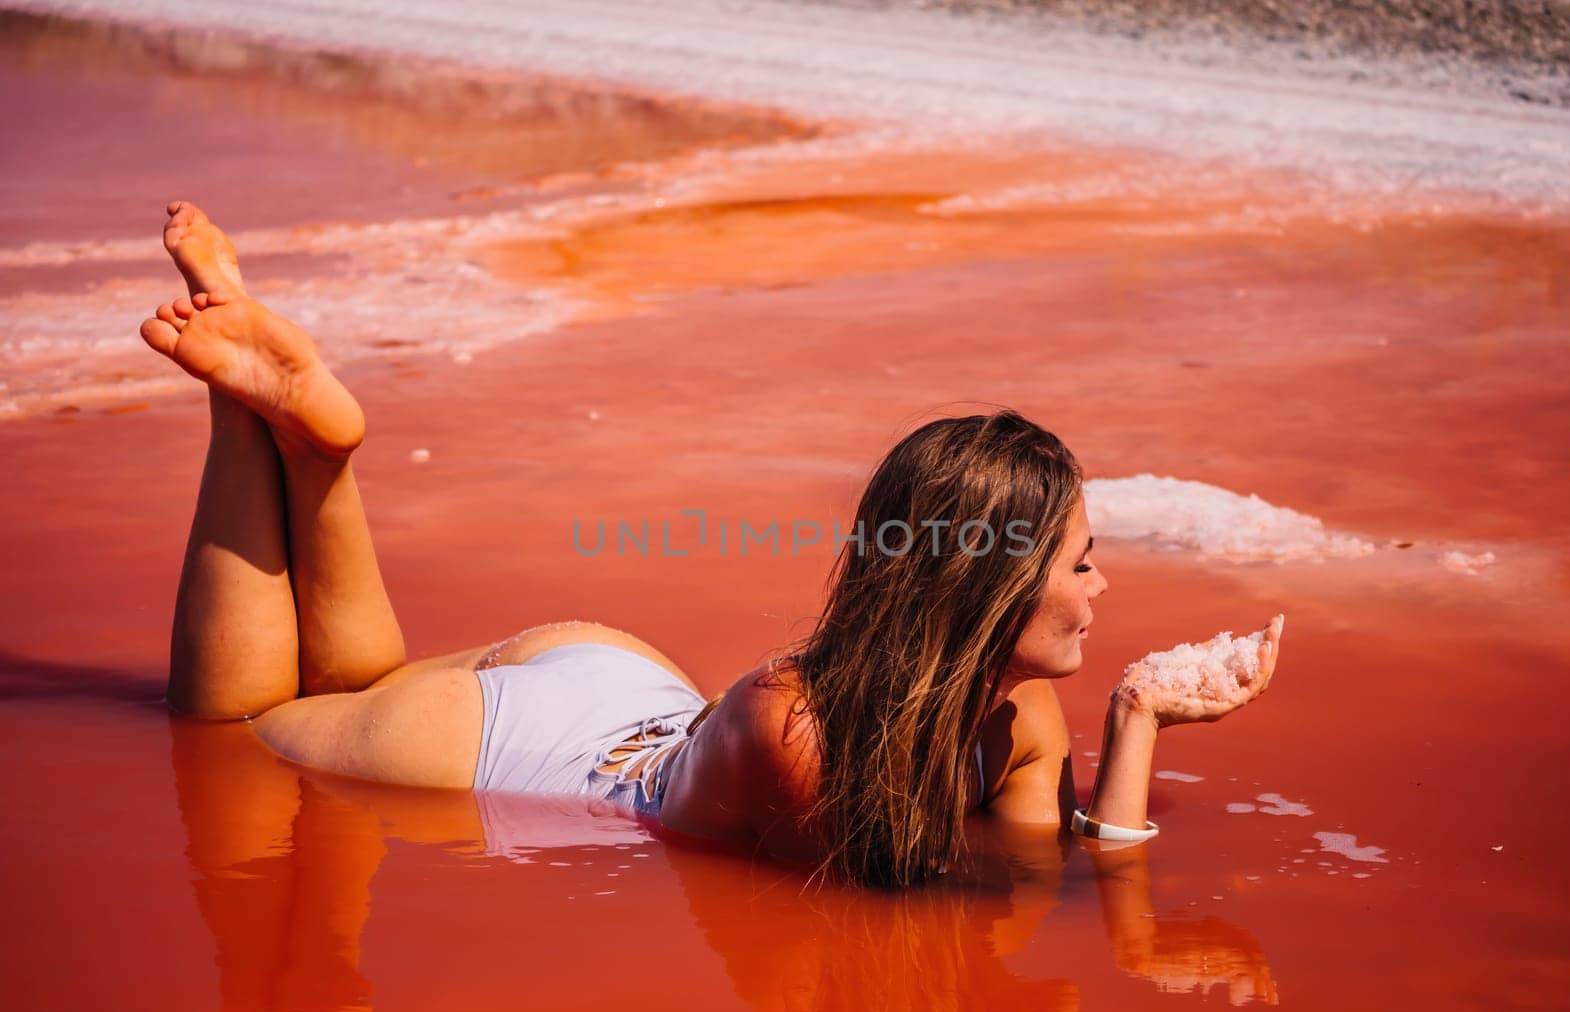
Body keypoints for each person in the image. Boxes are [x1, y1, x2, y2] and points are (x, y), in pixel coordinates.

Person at [143, 201, 1282, 889]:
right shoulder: (793, 733)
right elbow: (944, 901)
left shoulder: (1018, 720)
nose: (1100, 585)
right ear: (985, 591)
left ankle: (304, 436)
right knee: (235, 737)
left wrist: (1136, 717)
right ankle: (261, 415)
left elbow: (1049, 885)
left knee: (343, 686)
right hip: (534, 746)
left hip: (631, 687)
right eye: (1079, 561)